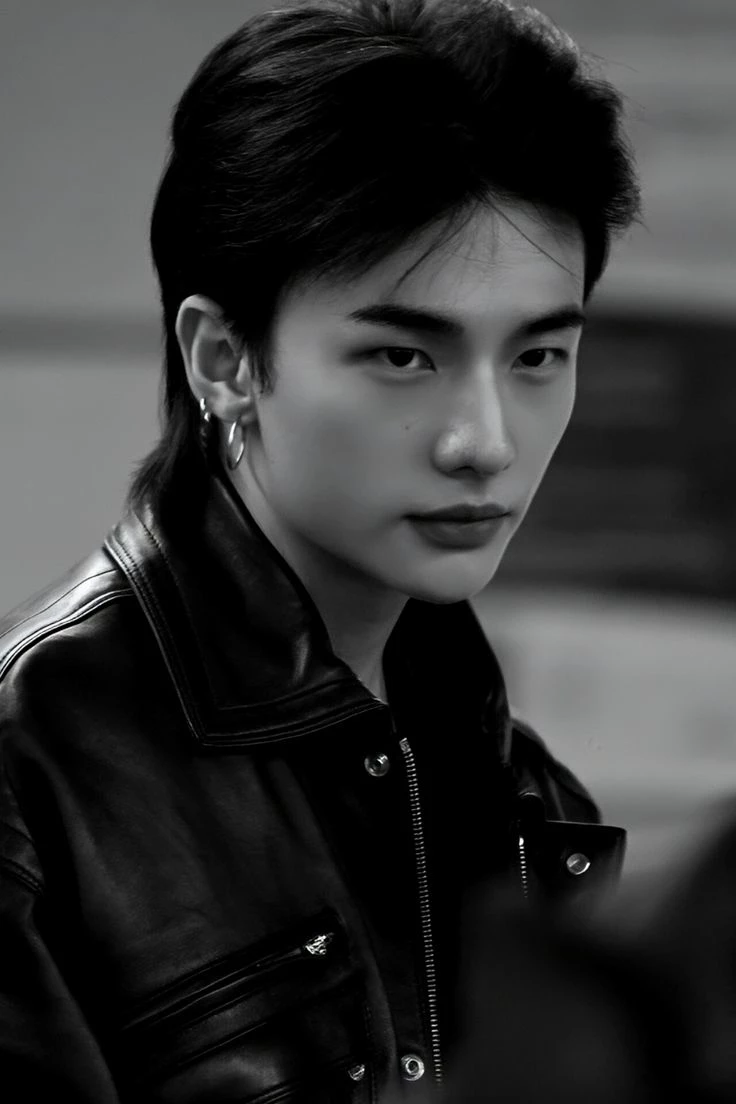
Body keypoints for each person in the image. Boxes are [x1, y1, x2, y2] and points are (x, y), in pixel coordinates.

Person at [0, 0, 639, 1099]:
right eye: (403, 356)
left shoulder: (526, 792)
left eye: (537, 356)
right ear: (224, 359)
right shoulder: (34, 771)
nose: (485, 443)